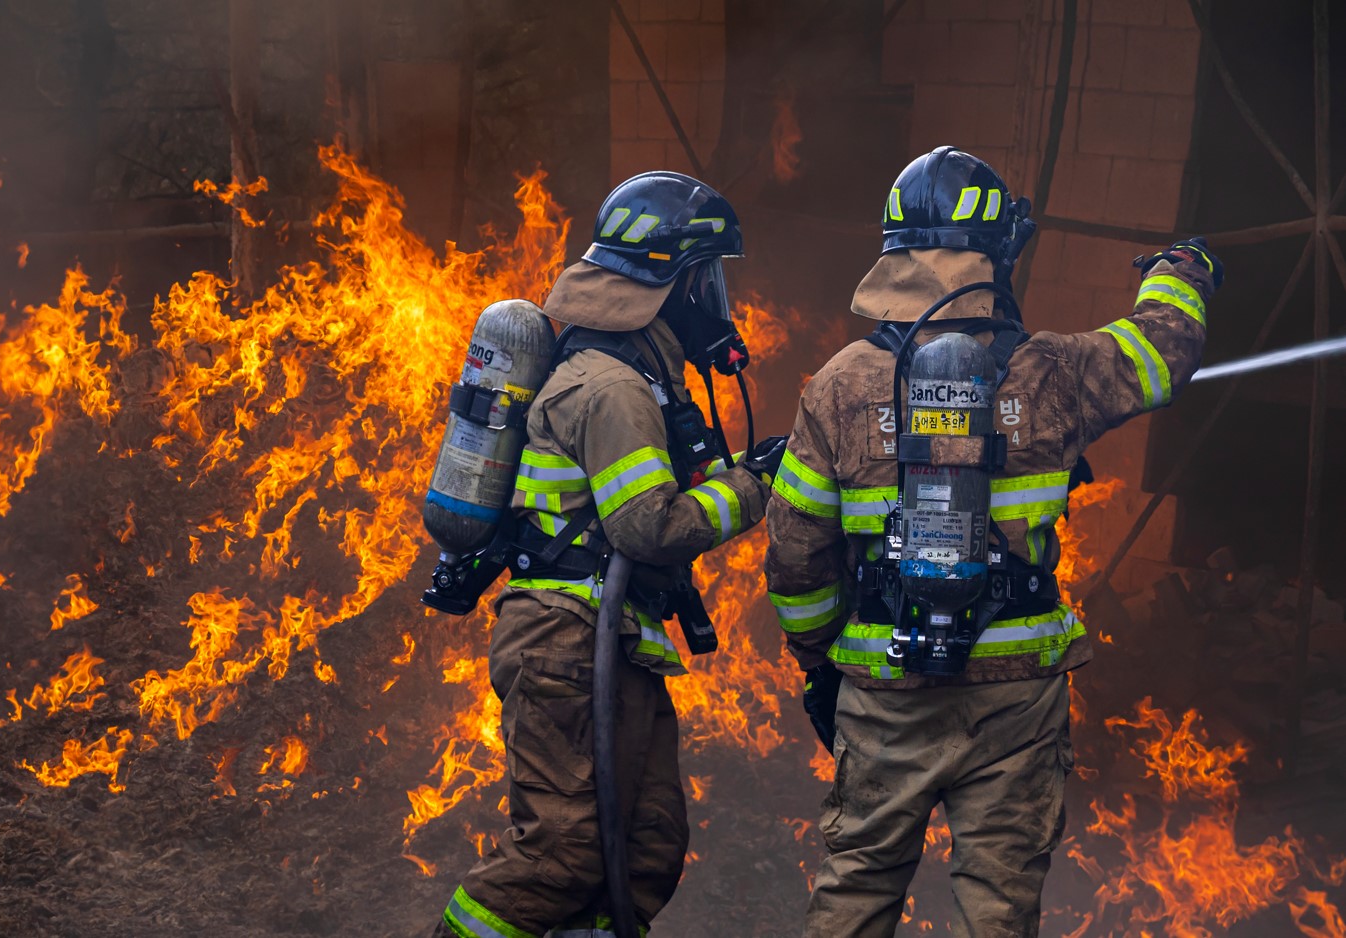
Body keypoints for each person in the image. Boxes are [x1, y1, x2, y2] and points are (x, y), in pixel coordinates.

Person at [763, 146, 1221, 937]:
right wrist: (1179, 272)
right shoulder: (1054, 372)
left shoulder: (840, 384)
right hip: (1015, 692)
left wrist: (821, 668)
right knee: (999, 908)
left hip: (886, 686)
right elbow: (1160, 356)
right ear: (999, 254)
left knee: (856, 887)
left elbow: (795, 554)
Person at [435, 171, 786, 938]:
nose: (717, 304)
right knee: (563, 852)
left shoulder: (634, 374)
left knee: (645, 845)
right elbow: (647, 529)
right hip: (566, 639)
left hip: (608, 640)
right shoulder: (614, 387)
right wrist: (755, 487)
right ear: (673, 283)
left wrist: (740, 471)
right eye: (709, 282)